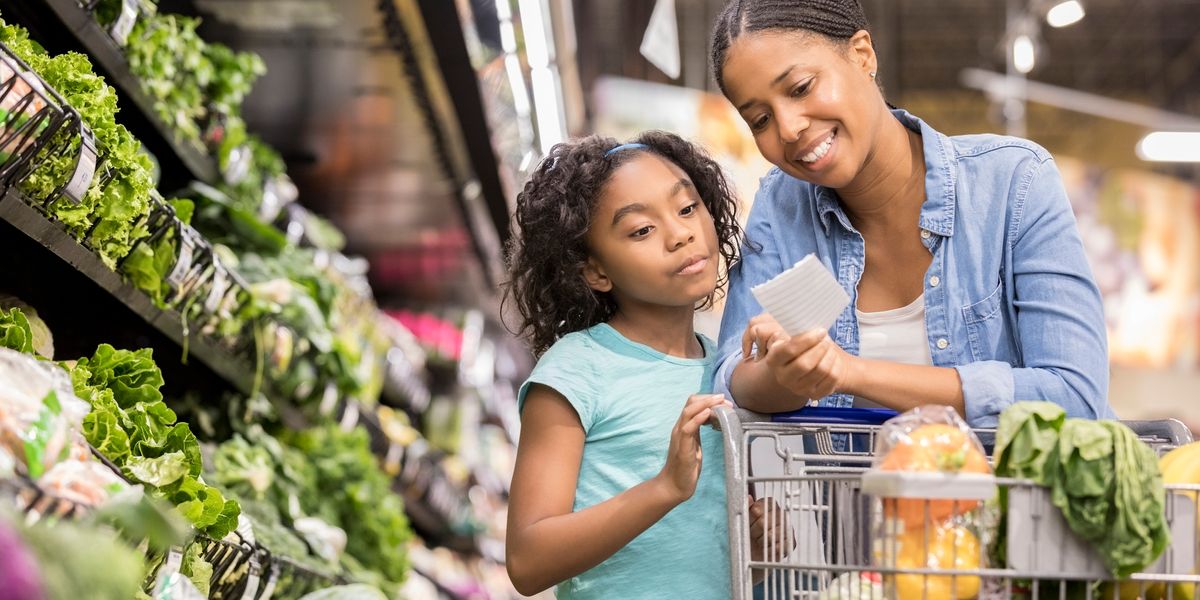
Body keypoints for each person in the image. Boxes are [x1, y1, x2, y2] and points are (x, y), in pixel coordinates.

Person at [708, 0, 1116, 427]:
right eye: (759, 119)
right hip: (845, 496)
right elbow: (731, 382)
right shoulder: (780, 209)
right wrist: (783, 374)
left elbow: (1073, 395)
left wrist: (850, 372)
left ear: (862, 54)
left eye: (800, 88)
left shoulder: (1012, 182)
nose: (788, 128)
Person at [503, 131, 785, 598]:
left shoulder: (726, 370)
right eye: (641, 230)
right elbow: (528, 561)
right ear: (596, 271)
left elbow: (685, 564)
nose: (680, 235)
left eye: (688, 208)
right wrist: (664, 489)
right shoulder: (576, 368)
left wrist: (758, 548)